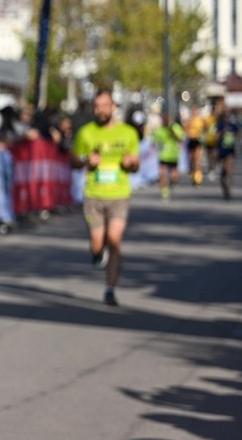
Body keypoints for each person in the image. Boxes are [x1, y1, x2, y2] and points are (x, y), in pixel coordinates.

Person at [72, 88, 140, 307]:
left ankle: (110, 289)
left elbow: (136, 165)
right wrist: (85, 160)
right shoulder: (86, 133)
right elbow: (72, 161)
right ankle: (97, 252)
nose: (100, 110)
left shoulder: (128, 133)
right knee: (97, 244)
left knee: (115, 241)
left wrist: (131, 164)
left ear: (113, 107)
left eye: (104, 106)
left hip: (119, 195)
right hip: (94, 196)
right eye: (97, 106)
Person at [151, 115, 185, 199]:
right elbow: (154, 142)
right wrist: (156, 143)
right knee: (162, 173)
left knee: (174, 176)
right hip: (163, 155)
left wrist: (173, 133)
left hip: (173, 155)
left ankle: (172, 182)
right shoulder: (159, 130)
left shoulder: (175, 127)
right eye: (164, 119)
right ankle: (164, 190)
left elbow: (181, 139)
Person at [212, 99, 239, 201]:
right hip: (221, 149)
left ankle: (228, 188)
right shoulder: (220, 125)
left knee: (229, 169)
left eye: (229, 113)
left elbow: (238, 134)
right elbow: (215, 137)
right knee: (224, 170)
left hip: (230, 150)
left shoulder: (233, 125)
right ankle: (224, 184)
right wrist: (222, 132)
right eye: (226, 113)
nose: (227, 115)